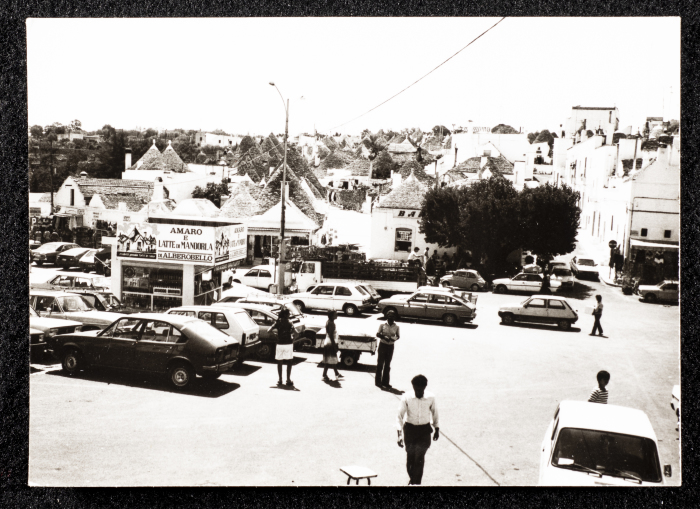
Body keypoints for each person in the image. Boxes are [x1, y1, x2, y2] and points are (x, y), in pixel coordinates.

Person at [397, 374, 439, 485]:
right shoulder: (406, 397)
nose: (418, 392)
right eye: (416, 389)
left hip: (424, 431)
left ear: (425, 387)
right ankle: (413, 479)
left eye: (420, 390)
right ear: (413, 387)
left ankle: (416, 483)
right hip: (410, 430)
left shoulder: (431, 397)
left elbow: (435, 413)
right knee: (410, 458)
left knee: (419, 457)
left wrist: (437, 428)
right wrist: (399, 435)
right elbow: (399, 416)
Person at [269, 308, 296, 386]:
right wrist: (292, 338)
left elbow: (269, 330)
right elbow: (295, 332)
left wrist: (276, 336)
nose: (289, 315)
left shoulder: (277, 322)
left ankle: (280, 379)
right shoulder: (290, 322)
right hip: (288, 344)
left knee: (279, 362)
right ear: (285, 315)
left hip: (279, 344)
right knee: (289, 362)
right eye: (288, 314)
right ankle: (288, 380)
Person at [376, 311, 400, 389]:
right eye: (390, 317)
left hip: (390, 346)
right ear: (387, 317)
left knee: (387, 365)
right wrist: (383, 337)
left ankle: (385, 382)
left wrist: (394, 339)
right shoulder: (382, 325)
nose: (391, 319)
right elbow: (378, 334)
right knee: (380, 364)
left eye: (393, 317)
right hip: (382, 345)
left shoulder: (396, 327)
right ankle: (378, 382)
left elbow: (398, 336)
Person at [322, 310, 343, 381]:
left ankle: (326, 375)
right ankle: (335, 374)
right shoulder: (331, 323)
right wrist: (334, 345)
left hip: (328, 341)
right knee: (332, 358)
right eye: (335, 314)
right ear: (331, 315)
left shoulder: (329, 322)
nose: (337, 315)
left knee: (329, 359)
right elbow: (331, 335)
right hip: (330, 343)